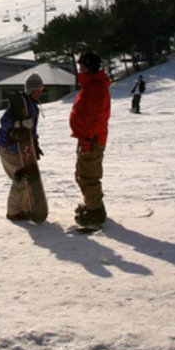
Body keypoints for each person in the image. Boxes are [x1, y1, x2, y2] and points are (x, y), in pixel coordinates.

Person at [0, 73, 44, 222]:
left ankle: (24, 208)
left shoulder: (33, 106)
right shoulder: (20, 103)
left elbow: (32, 129)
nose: (40, 92)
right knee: (22, 179)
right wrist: (19, 124)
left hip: (20, 149)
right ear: (31, 90)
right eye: (38, 90)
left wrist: (35, 143)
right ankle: (14, 212)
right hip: (8, 147)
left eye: (41, 89)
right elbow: (4, 120)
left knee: (26, 179)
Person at [70, 52, 111, 226]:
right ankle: (93, 206)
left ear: (89, 67)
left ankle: (95, 212)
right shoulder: (91, 85)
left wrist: (87, 140)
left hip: (91, 139)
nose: (80, 69)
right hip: (88, 138)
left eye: (82, 66)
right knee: (84, 174)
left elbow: (94, 118)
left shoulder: (95, 88)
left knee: (87, 176)